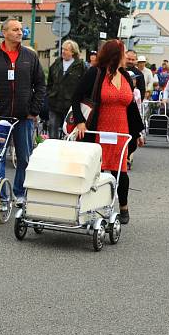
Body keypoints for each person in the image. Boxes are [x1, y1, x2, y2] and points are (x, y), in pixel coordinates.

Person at [72, 40, 144, 225]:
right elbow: (76, 96)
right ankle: (96, 205)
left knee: (121, 170)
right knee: (98, 169)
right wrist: (80, 122)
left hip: (122, 129)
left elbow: (132, 107)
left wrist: (138, 132)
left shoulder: (126, 76)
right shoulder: (95, 73)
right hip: (98, 128)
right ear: (115, 55)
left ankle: (123, 207)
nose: (126, 56)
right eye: (124, 52)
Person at [0, 18, 46, 202]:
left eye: (21, 29)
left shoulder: (30, 56)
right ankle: (1, 197)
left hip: (24, 117)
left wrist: (34, 109)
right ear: (5, 32)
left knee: (24, 158)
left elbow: (40, 84)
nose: (20, 32)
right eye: (15, 29)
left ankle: (19, 193)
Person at [46, 39, 85, 139]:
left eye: (66, 50)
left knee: (69, 132)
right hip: (54, 103)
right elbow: (49, 82)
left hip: (71, 106)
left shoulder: (81, 66)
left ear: (73, 52)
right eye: (63, 49)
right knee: (52, 130)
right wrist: (49, 94)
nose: (63, 51)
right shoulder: (56, 64)